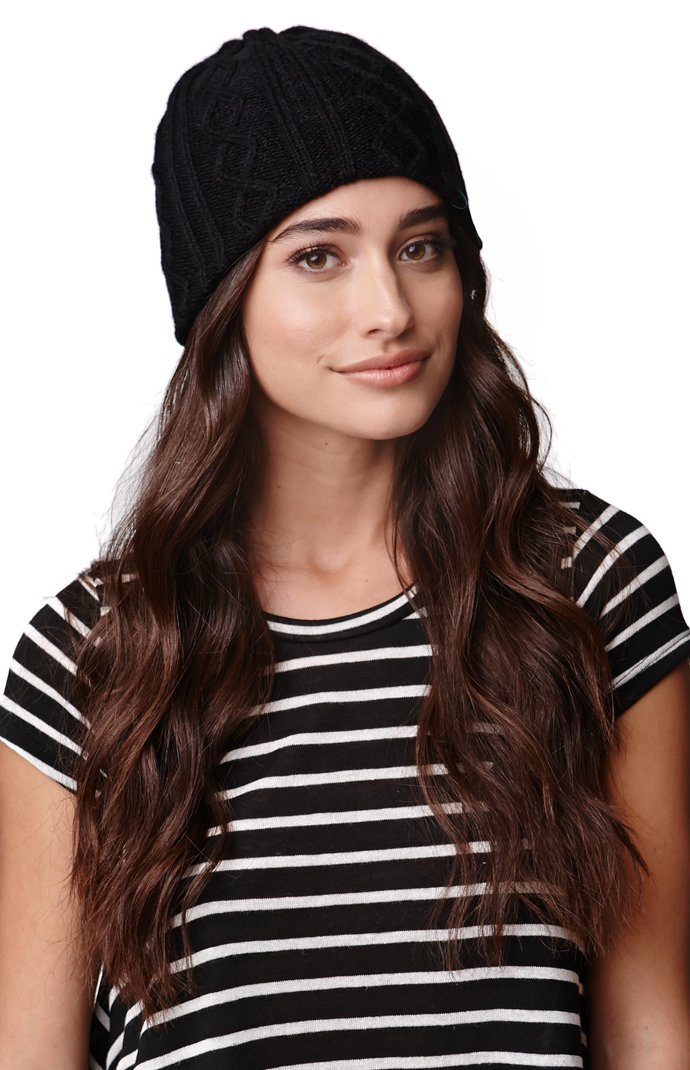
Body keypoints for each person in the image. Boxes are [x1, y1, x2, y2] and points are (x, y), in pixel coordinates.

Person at [0, 25, 688, 1070]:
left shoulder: (585, 585)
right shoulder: (93, 656)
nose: (389, 309)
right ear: (223, 299)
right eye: (318, 256)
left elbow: (654, 1027)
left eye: (421, 246)